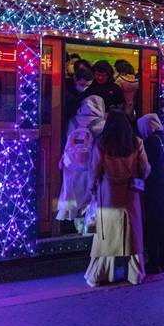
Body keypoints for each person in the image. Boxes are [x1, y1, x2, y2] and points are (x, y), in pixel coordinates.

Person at [85, 111, 151, 287]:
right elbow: (145, 169)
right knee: (132, 234)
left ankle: (99, 274)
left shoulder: (102, 142)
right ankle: (135, 274)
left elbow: (94, 169)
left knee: (106, 235)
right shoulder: (136, 142)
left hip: (108, 193)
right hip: (131, 192)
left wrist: (91, 188)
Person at [56, 95, 106, 229]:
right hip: (90, 164)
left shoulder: (72, 121)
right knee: (89, 196)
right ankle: (87, 226)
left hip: (71, 164)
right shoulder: (102, 124)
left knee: (72, 193)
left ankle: (72, 221)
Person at [138, 114, 164, 274]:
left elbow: (146, 167)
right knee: (163, 224)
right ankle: (163, 262)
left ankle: (153, 262)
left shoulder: (150, 142)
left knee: (153, 226)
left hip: (153, 188)